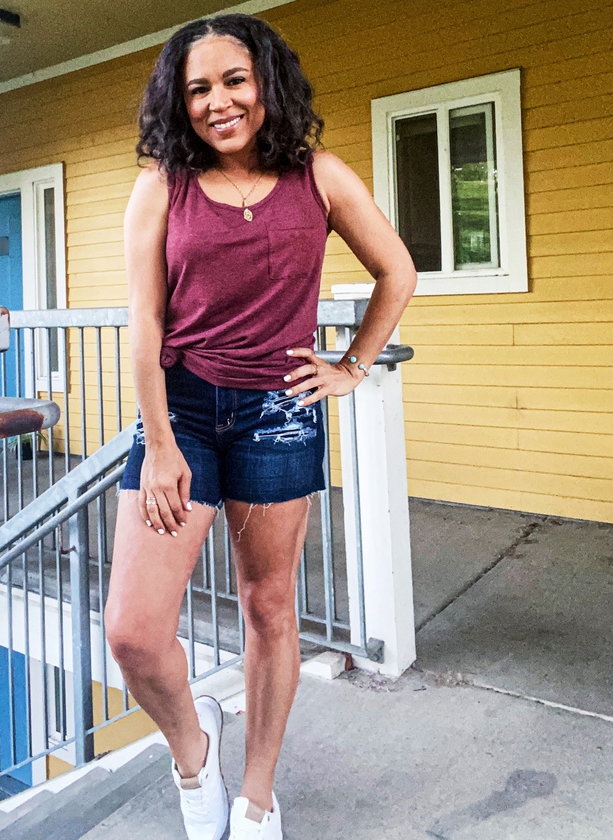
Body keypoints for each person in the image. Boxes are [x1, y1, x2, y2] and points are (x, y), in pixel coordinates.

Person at [104, 13, 416, 840]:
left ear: (266, 83)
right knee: (134, 632)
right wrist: (162, 443)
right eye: (198, 88)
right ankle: (193, 752)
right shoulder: (159, 187)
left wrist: (350, 366)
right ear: (180, 102)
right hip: (185, 410)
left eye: (234, 80)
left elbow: (398, 270)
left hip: (279, 413)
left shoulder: (319, 176)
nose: (218, 102)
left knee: (269, 607)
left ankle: (255, 796)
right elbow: (145, 324)